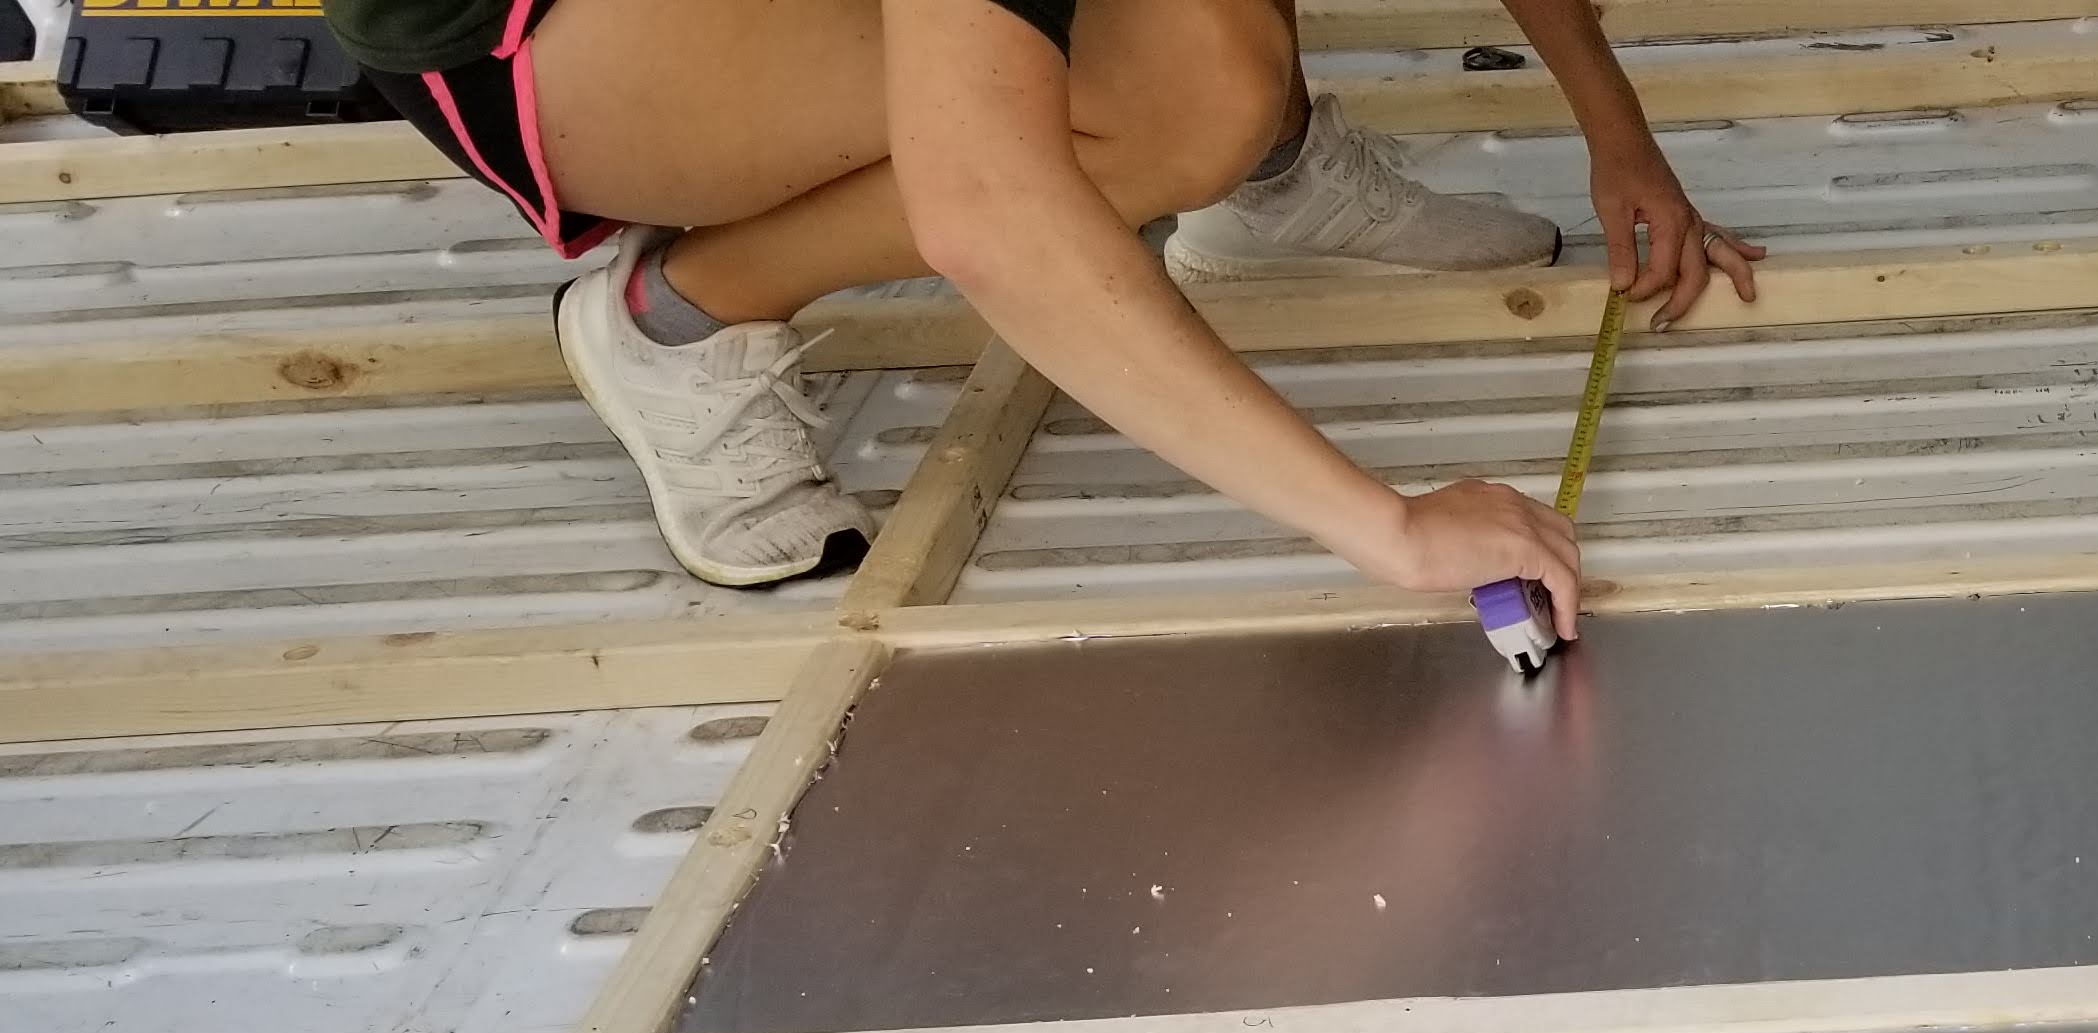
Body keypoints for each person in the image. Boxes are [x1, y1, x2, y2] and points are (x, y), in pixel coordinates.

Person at [322, 0, 1766, 628]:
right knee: (1157, 107)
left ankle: (1260, 156)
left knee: (1209, 85)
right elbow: (988, 207)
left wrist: (1616, 130)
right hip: (544, 46)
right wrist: (1387, 529)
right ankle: (680, 314)